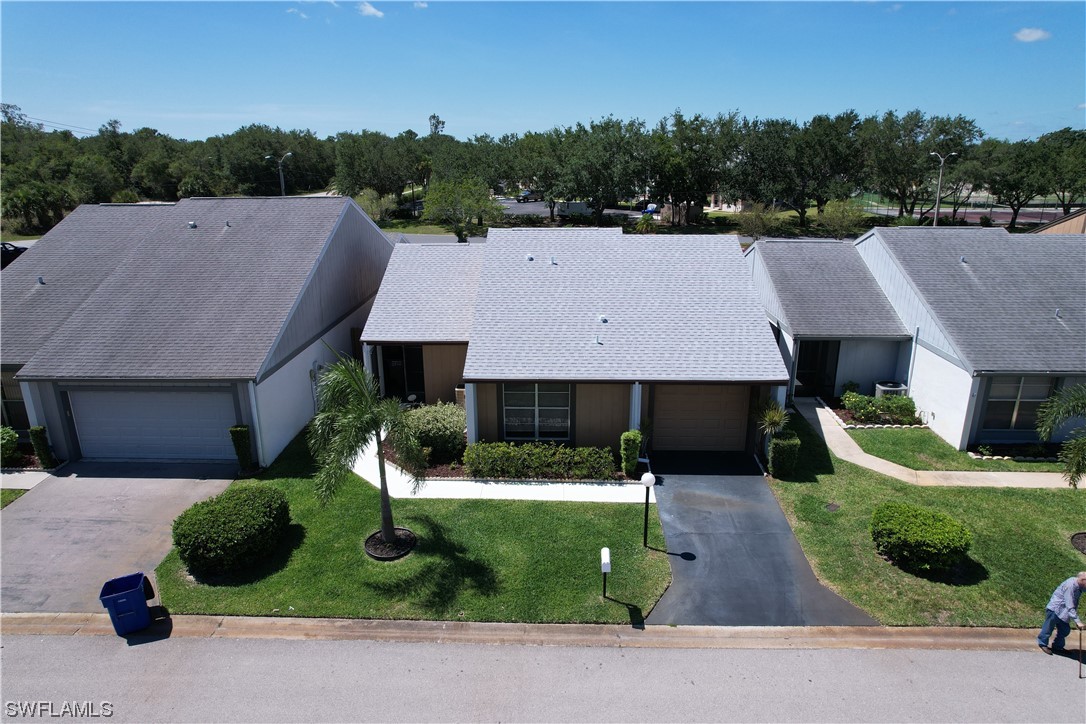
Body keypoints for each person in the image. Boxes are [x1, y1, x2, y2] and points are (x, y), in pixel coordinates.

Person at [1038, 571, 1086, 654]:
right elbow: (1069, 605)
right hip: (1055, 610)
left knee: (1065, 630)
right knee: (1048, 629)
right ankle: (1042, 644)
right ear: (1083, 580)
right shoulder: (1070, 585)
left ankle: (1057, 647)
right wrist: (1078, 621)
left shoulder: (1080, 585)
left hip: (1064, 612)